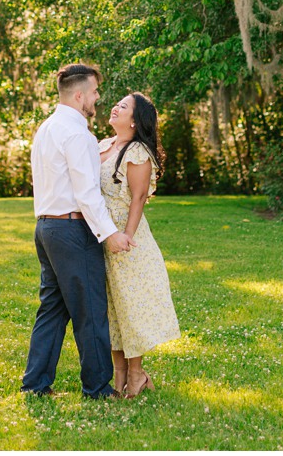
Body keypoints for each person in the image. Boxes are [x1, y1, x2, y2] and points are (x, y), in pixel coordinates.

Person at [21, 63, 133, 399]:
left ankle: (36, 384)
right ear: (80, 94)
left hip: (46, 227)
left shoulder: (47, 129)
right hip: (72, 230)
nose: (98, 98)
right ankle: (98, 389)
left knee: (53, 310)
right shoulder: (77, 134)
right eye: (95, 92)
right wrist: (110, 233)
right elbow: (86, 193)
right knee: (90, 310)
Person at [98, 92, 180, 397]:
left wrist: (126, 238)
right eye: (117, 103)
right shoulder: (104, 146)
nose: (115, 107)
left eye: (123, 106)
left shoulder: (137, 153)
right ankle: (119, 373)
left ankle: (135, 374)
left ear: (134, 120)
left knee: (130, 308)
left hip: (126, 240)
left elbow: (139, 198)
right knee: (112, 310)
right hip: (103, 236)